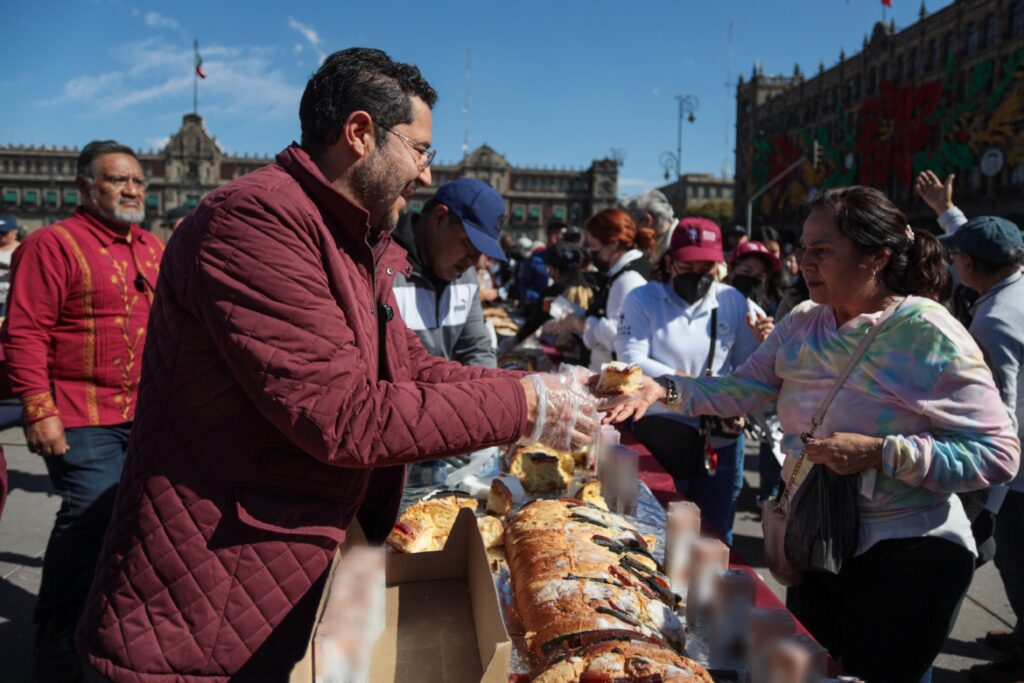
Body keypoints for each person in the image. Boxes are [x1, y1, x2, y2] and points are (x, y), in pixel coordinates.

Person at [76, 48, 596, 682]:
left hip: (275, 570)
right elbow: (341, 415)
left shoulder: (347, 240)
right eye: (420, 150)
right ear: (360, 134)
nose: (427, 175)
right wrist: (528, 408)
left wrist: (546, 389)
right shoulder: (256, 221)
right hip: (210, 599)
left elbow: (413, 367)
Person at [605, 186, 1020, 683]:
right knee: (814, 672)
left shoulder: (927, 332)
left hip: (907, 557)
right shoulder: (803, 322)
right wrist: (664, 390)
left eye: (823, 250)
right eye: (804, 248)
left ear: (877, 257)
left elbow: (999, 453)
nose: (805, 261)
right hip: (817, 541)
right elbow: (746, 387)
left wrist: (881, 453)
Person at [0, 140, 165, 681]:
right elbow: (24, 332)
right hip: (79, 411)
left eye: (138, 181)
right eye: (118, 180)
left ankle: (113, 626)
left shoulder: (151, 248)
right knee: (93, 511)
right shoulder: (51, 245)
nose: (132, 190)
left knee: (141, 520)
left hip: (144, 412)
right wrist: (37, 407)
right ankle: (56, 634)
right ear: (84, 186)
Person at [616, 220, 757, 544]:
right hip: (661, 432)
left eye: (706, 266)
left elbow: (750, 366)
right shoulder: (644, 298)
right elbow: (630, 360)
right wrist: (689, 385)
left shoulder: (732, 300)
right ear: (669, 261)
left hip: (718, 438)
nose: (696, 273)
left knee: (713, 540)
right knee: (653, 536)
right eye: (687, 264)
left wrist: (732, 397)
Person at [938, 216, 1024, 683]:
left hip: (1017, 474)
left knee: (1014, 560)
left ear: (968, 264)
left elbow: (1000, 418)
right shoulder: (1014, 294)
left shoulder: (994, 320)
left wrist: (989, 499)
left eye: (955, 257)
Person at [392, 178, 506, 368]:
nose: (473, 261)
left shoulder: (467, 278)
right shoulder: (384, 270)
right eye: (468, 245)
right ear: (439, 219)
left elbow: (476, 348)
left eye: (480, 253)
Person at [549, 208, 654, 371]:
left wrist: (579, 323)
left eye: (595, 247)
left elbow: (619, 335)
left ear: (613, 242)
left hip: (613, 376)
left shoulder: (628, 279)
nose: (593, 253)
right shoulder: (623, 272)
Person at [626, 189, 677, 264]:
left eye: (633, 224)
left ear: (647, 220)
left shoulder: (677, 244)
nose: (633, 231)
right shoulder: (670, 239)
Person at [0, 214, 22, 320]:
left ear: (14, 232)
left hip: (9, 298)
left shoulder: (21, 249)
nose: (1, 236)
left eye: (4, 233)